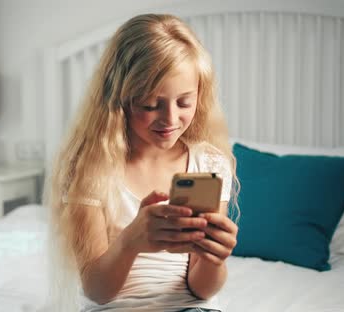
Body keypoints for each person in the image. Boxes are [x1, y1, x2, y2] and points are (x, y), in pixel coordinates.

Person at [46, 13, 240, 312]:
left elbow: (202, 289)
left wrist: (215, 258)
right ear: (119, 98)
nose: (171, 120)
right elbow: (98, 291)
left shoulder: (209, 164)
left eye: (184, 102)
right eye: (151, 104)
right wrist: (130, 242)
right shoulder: (89, 167)